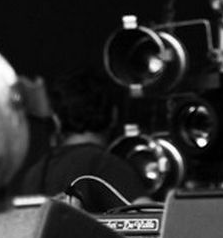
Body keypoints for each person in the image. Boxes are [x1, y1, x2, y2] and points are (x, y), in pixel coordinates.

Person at [13, 68, 151, 211]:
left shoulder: (34, 174)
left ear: (57, 120)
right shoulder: (105, 165)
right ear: (114, 115)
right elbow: (147, 217)